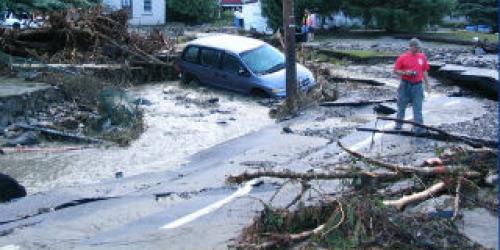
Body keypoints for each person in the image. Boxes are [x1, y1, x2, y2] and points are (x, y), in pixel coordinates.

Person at [393, 38, 430, 134]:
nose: (418, 49)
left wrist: (427, 84)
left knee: (418, 107)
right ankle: (398, 125)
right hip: (405, 85)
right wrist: (405, 72)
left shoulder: (422, 57)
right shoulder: (402, 57)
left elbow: (424, 70)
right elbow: (395, 71)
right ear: (411, 47)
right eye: (416, 47)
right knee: (401, 106)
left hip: (418, 86)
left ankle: (418, 128)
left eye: (419, 47)